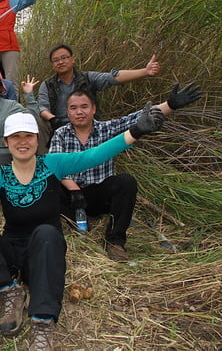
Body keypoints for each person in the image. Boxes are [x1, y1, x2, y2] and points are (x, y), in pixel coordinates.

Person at [0, 108, 164, 346]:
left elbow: (94, 155)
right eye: (16, 137)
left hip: (45, 254)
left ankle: (42, 320)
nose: (23, 142)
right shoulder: (1, 174)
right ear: (6, 142)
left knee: (46, 232)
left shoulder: (52, 164)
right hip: (12, 254)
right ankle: (9, 290)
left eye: (28, 136)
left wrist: (136, 131)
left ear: (38, 139)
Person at [49, 83, 202, 261]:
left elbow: (138, 118)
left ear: (93, 109)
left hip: (100, 193)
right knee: (48, 185)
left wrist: (170, 104)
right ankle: (73, 227)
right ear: (67, 112)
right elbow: (56, 166)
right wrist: (74, 190)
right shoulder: (60, 134)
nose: (79, 112)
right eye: (73, 108)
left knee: (126, 182)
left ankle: (115, 242)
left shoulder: (106, 128)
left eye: (84, 106)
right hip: (72, 196)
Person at [38, 44, 162, 132]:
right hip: (58, 126)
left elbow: (113, 78)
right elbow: (43, 108)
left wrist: (145, 71)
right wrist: (54, 120)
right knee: (39, 123)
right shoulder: (48, 84)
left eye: (64, 58)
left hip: (87, 123)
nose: (60, 62)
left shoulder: (87, 78)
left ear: (72, 59)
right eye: (56, 60)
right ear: (53, 65)